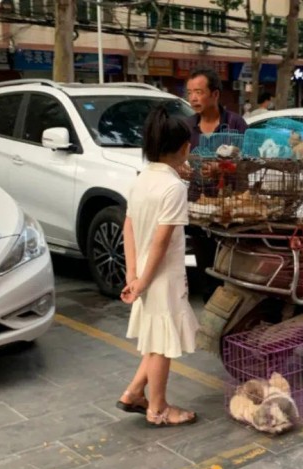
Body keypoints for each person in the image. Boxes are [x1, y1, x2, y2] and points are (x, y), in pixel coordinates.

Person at [117, 106, 199, 427]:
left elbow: (129, 227)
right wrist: (145, 281)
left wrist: (133, 275)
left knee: (154, 339)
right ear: (183, 148)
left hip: (145, 274)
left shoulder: (142, 180)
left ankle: (135, 393)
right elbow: (163, 241)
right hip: (162, 276)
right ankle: (158, 408)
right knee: (162, 345)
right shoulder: (173, 187)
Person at [183, 68, 248, 302]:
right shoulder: (187, 127)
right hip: (198, 205)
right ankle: (211, 306)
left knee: (230, 265)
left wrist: (223, 169)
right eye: (190, 93)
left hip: (230, 207)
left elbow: (249, 163)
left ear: (215, 94)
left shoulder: (235, 124)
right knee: (205, 262)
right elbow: (178, 161)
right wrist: (185, 169)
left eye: (199, 92)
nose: (193, 98)